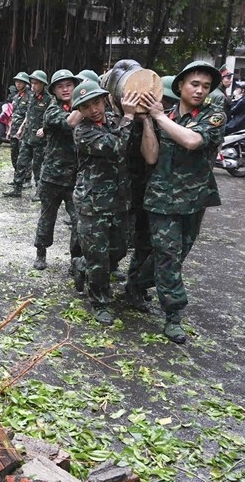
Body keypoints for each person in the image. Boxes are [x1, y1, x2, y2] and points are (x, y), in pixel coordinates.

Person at [143, 61, 225, 343]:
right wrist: (147, 121)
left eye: (205, 86)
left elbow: (192, 141)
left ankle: (136, 284)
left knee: (177, 253)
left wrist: (158, 117)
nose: (200, 90)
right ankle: (173, 315)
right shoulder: (161, 116)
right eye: (194, 84)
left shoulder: (214, 116)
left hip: (194, 198)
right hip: (162, 197)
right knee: (168, 254)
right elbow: (151, 157)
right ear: (179, 86)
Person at [66, 78, 136, 325]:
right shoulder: (83, 131)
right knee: (99, 256)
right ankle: (100, 302)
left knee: (118, 249)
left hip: (119, 201)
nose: (94, 109)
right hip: (92, 202)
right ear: (80, 111)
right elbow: (115, 145)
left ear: (105, 100)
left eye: (97, 102)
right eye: (86, 106)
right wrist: (128, 117)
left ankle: (81, 262)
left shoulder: (116, 122)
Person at [124, 76, 171, 310]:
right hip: (128, 189)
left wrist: (150, 121)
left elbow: (153, 156)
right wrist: (134, 117)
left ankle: (135, 286)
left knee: (146, 243)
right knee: (121, 243)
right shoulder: (125, 118)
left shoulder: (171, 122)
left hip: (155, 192)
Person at [31, 69, 78, 271]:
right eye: (60, 86)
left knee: (79, 220)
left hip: (76, 176)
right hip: (52, 175)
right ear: (54, 91)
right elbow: (68, 123)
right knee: (47, 217)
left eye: (69, 85)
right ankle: (41, 252)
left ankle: (76, 259)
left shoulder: (84, 108)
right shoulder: (52, 110)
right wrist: (85, 105)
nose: (65, 89)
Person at [4, 70, 51, 198]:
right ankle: (17, 188)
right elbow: (28, 115)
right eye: (32, 83)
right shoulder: (30, 97)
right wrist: (21, 129)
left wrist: (45, 128)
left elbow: (50, 117)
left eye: (36, 83)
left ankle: (39, 191)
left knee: (37, 166)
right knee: (21, 162)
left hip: (40, 140)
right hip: (27, 136)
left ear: (43, 84)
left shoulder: (49, 99)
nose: (34, 86)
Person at [7, 72, 32, 177]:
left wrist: (21, 129)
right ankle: (17, 177)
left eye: (20, 82)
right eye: (16, 81)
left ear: (26, 83)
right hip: (14, 129)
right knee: (14, 155)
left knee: (24, 155)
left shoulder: (30, 96)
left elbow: (29, 114)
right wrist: (9, 130)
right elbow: (13, 114)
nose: (18, 84)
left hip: (24, 131)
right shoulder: (16, 97)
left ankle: (26, 178)